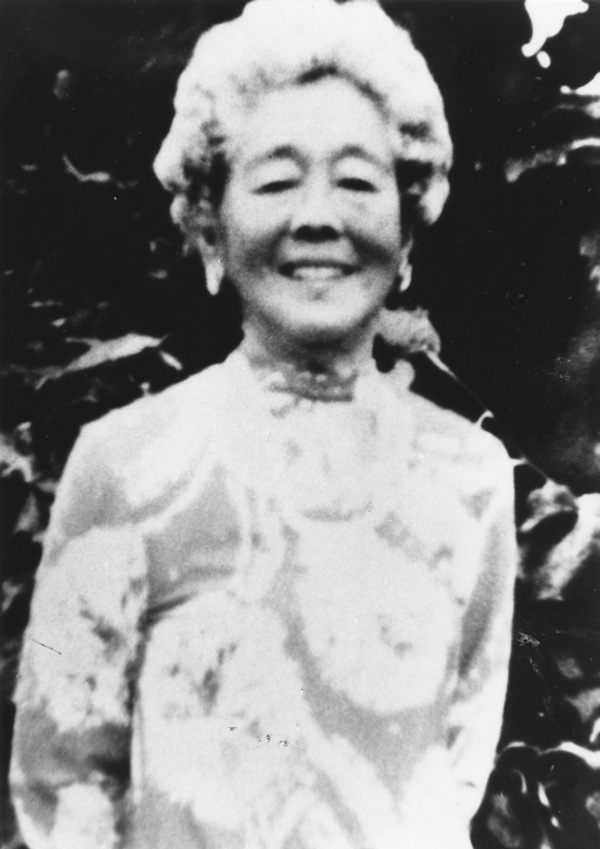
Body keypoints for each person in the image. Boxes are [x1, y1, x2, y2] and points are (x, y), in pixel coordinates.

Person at [9, 2, 518, 847]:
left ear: (407, 226)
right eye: (277, 181)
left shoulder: (473, 477)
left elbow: (454, 770)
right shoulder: (127, 465)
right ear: (210, 224)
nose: (318, 216)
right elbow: (63, 783)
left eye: (357, 181)